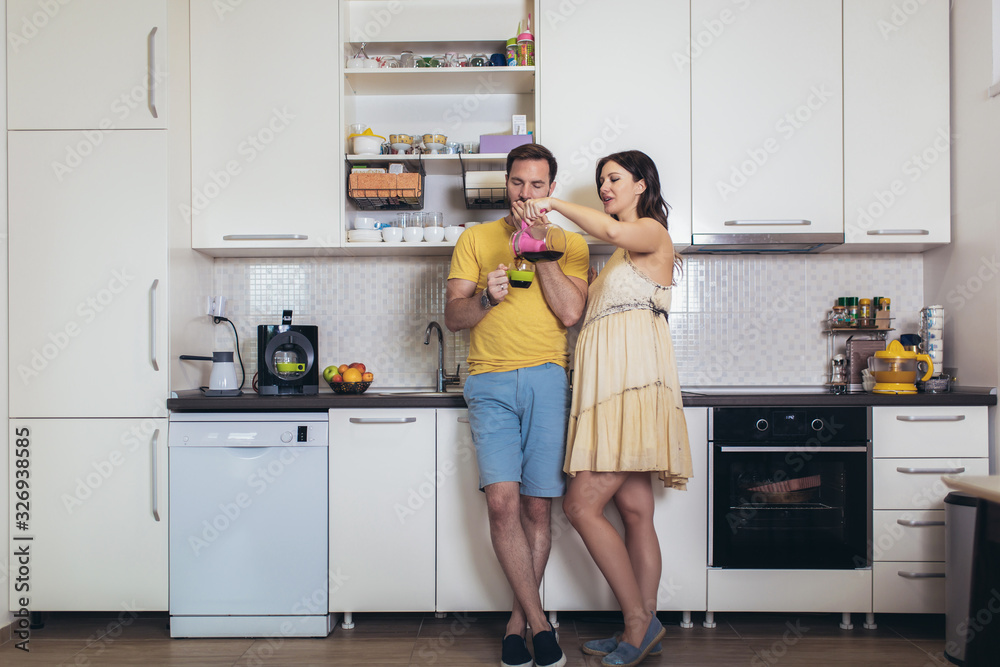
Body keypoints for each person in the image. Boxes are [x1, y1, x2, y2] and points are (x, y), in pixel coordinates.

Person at [519, 150, 692, 667]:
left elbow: (613, 231)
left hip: (631, 388)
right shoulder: (617, 257)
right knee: (635, 511)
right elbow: (578, 312)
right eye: (600, 180)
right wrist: (541, 246)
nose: (604, 187)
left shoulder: (650, 232)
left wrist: (551, 203)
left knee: (580, 506)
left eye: (614, 178)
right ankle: (643, 626)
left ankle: (638, 623)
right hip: (611, 391)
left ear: (641, 184)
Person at [445, 142, 590, 667]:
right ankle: (541, 625)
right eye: (517, 183)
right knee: (502, 503)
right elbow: (454, 317)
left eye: (537, 185)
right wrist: (485, 298)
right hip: (489, 381)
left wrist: (540, 248)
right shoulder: (475, 239)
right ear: (505, 182)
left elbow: (571, 313)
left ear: (551, 189)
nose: (525, 194)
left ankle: (515, 623)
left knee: (536, 507)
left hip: (548, 380)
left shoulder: (571, 243)